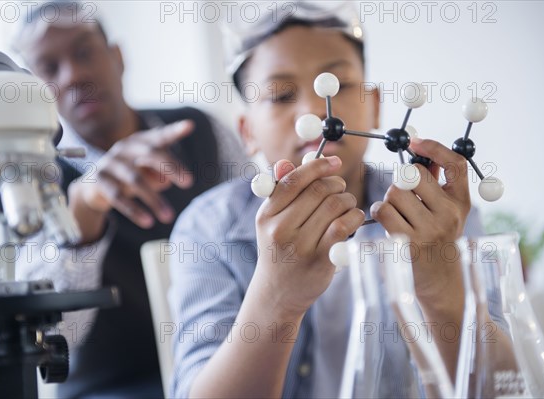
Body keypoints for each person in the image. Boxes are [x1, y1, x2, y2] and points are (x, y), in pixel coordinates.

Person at [168, 2, 514, 398]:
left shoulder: (438, 211)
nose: (316, 110)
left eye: (339, 85)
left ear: (376, 106)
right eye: (280, 95)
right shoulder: (209, 228)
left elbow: (506, 389)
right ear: (246, 132)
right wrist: (276, 296)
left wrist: (443, 290)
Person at [12, 1, 245, 397]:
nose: (74, 75)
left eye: (85, 52)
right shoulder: (28, 180)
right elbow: (47, 336)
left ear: (117, 57)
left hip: (221, 369)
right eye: (49, 68)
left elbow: (255, 240)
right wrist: (83, 213)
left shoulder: (202, 129)